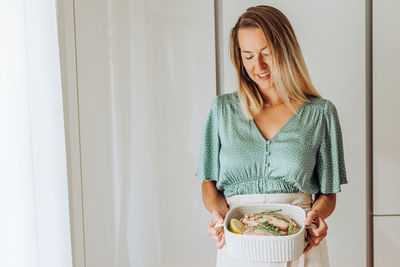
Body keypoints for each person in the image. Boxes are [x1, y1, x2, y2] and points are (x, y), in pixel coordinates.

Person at [195, 5, 348, 267]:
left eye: (267, 53)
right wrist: (218, 214)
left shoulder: (320, 113)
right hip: (238, 243)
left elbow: (328, 194)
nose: (259, 66)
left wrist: (316, 217)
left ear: (286, 50)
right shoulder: (221, 111)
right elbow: (209, 183)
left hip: (299, 243)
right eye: (249, 56)